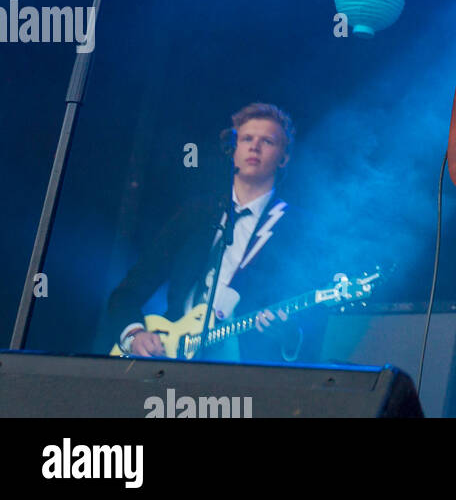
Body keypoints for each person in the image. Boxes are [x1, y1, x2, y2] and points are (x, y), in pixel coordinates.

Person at [105, 102, 322, 363]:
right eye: (246, 139)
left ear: (284, 157)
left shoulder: (297, 228)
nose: (254, 146)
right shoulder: (195, 213)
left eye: (268, 141)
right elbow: (128, 291)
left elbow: (314, 320)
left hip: (244, 369)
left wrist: (289, 335)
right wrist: (135, 334)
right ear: (233, 150)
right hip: (171, 356)